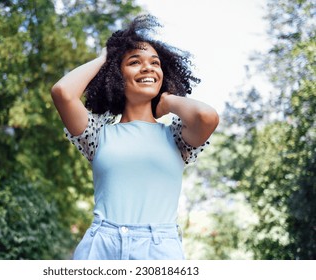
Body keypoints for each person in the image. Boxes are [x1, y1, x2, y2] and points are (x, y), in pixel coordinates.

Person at [51, 15, 219, 260]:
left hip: (159, 249)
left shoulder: (176, 138)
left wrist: (167, 101)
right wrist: (106, 57)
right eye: (134, 62)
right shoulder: (97, 135)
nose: (148, 67)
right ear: (117, 75)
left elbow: (207, 117)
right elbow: (62, 92)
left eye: (155, 62)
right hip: (101, 247)